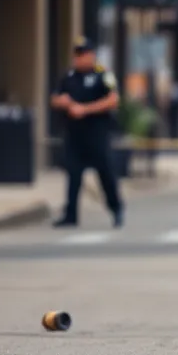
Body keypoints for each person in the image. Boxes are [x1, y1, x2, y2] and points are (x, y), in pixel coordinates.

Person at [50, 37, 124, 228]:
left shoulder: (103, 75)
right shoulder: (69, 76)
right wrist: (63, 102)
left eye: (84, 54)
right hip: (75, 134)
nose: (81, 59)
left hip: (97, 133)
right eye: (78, 55)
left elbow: (113, 100)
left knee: (105, 172)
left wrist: (85, 109)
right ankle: (71, 214)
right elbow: (55, 98)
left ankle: (116, 208)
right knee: (73, 174)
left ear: (92, 55)